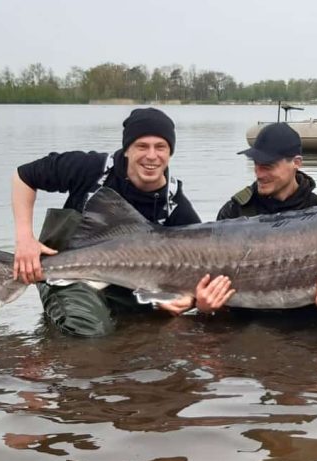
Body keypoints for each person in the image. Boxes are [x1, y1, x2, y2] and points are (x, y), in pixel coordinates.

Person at [12, 107, 222, 337]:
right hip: (65, 273)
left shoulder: (175, 207)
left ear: (170, 152)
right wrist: (25, 239)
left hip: (125, 285)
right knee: (90, 332)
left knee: (150, 333)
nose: (152, 156)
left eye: (160, 147)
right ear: (127, 150)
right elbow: (24, 177)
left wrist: (188, 300)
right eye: (142, 146)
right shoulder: (89, 168)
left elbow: (198, 270)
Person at [195, 122, 317, 314]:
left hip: (304, 327)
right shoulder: (235, 211)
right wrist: (204, 306)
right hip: (246, 323)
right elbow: (210, 277)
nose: (259, 174)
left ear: (296, 162)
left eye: (268, 166)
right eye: (256, 165)